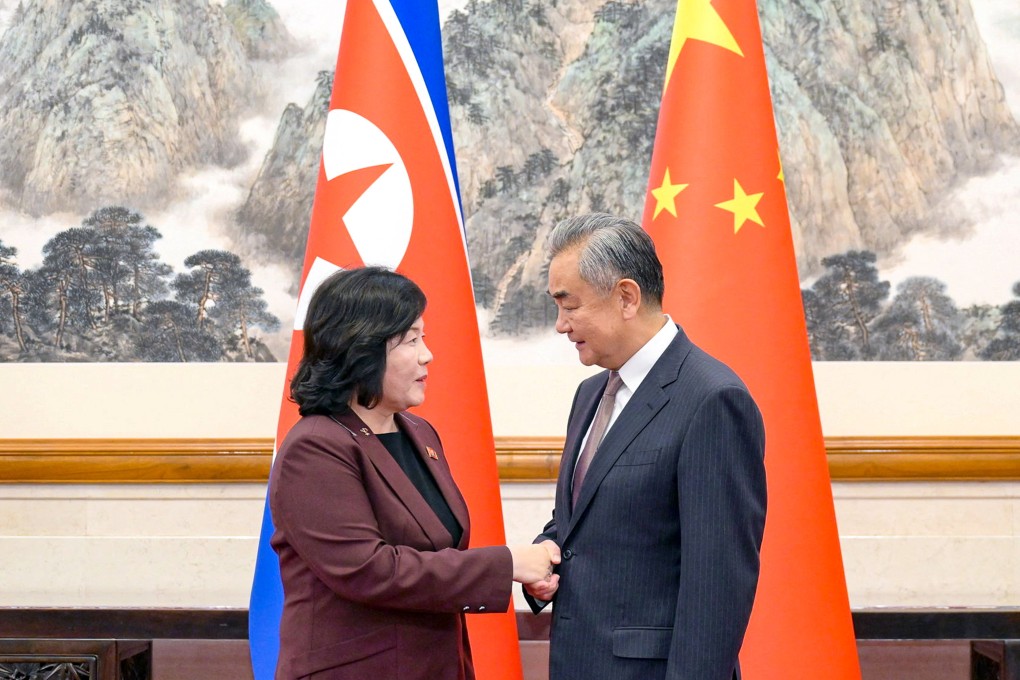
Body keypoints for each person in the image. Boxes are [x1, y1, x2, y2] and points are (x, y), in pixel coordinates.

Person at [269, 266, 558, 680]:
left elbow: (440, 552)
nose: (428, 354)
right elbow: (370, 570)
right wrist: (507, 564)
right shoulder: (315, 448)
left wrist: (527, 569)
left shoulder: (418, 432)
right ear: (361, 349)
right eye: (411, 340)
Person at [524, 213, 767, 680]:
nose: (560, 325)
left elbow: (718, 586)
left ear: (626, 297)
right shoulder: (590, 394)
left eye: (569, 305)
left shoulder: (712, 400)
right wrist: (545, 558)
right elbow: (582, 519)